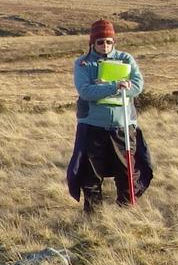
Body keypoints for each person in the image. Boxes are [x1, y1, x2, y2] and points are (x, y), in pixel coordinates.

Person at [65, 18, 153, 211]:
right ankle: (94, 214)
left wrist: (105, 86)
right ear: (92, 42)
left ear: (114, 42)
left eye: (108, 41)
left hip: (123, 126)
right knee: (91, 172)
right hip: (92, 126)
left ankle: (126, 210)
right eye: (100, 41)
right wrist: (115, 86)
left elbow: (137, 86)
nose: (104, 45)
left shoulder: (126, 60)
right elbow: (86, 91)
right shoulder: (83, 63)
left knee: (127, 170)